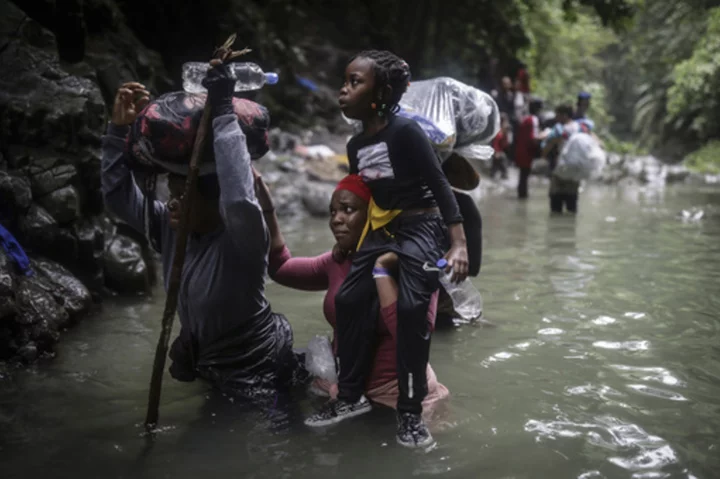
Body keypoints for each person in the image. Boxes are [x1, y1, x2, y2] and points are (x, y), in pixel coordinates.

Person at [304, 50, 469, 449]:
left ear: (380, 93)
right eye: (345, 81)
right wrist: (348, 241)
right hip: (385, 229)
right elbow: (363, 198)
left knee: (412, 309)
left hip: (423, 226)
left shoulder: (406, 132)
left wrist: (458, 242)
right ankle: (350, 396)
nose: (344, 90)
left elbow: (439, 183)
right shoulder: (356, 144)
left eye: (354, 82)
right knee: (348, 299)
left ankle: (410, 414)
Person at [101, 72, 299, 403]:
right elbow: (118, 197)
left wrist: (223, 112)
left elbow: (239, 198)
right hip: (210, 360)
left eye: (185, 194)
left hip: (257, 365)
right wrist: (117, 131)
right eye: (172, 192)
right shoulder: (171, 228)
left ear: (216, 203)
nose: (173, 201)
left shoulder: (242, 241)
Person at [254, 172, 449, 413]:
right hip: (346, 392)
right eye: (333, 212)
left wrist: (382, 271)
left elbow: (412, 336)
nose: (336, 219)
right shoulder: (338, 261)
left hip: (397, 397)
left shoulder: (410, 261)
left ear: (374, 216)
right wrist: (268, 209)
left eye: (347, 209)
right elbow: (281, 269)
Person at [542, 104, 581, 214]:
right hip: (575, 171)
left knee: (556, 204)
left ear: (564, 115)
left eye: (557, 115)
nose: (556, 118)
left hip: (561, 169)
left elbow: (548, 146)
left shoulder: (560, 129)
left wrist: (543, 155)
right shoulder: (579, 127)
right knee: (572, 206)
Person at [514, 97, 546, 199]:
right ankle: (523, 198)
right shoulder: (534, 119)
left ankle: (521, 198)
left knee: (522, 177)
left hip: (520, 150)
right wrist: (545, 136)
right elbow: (533, 138)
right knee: (524, 177)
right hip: (526, 152)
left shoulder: (526, 118)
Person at [490, 112, 511, 179]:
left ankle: (501, 176)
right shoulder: (498, 131)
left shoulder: (504, 131)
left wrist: (506, 135)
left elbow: (506, 145)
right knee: (500, 163)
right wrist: (496, 152)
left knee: (497, 167)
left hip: (500, 152)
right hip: (496, 152)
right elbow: (495, 143)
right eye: (505, 121)